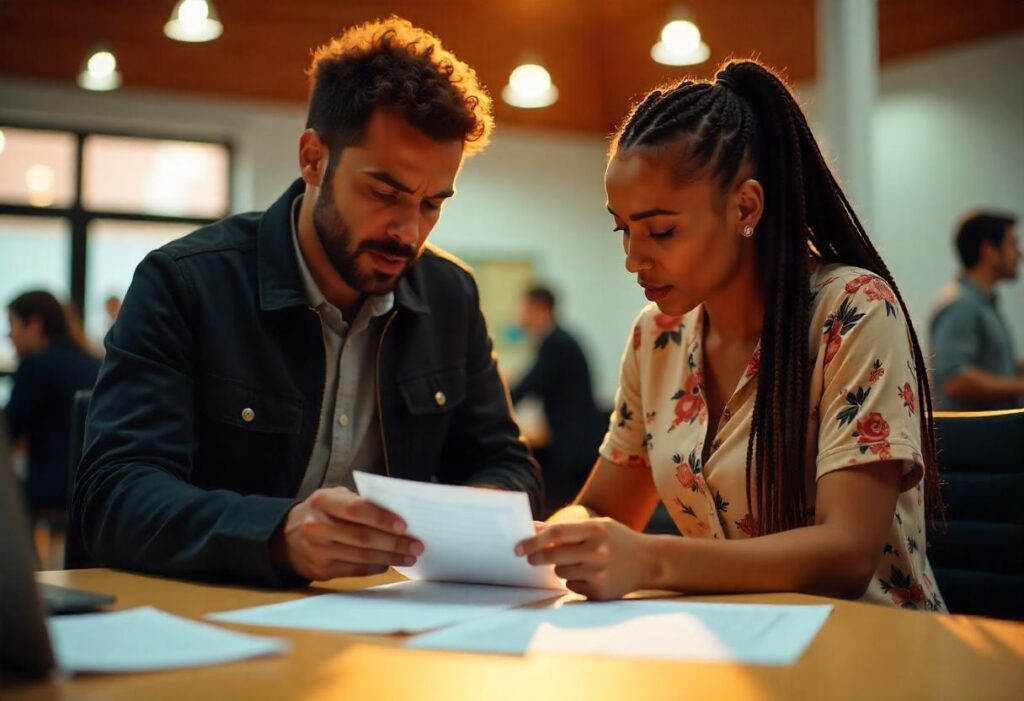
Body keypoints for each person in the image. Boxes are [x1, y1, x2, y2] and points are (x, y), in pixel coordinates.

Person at [72, 17, 541, 587]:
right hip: (216, 611)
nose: (408, 231)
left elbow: (507, 464)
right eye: (384, 192)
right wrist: (275, 534)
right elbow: (114, 494)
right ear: (314, 159)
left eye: (432, 203)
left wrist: (478, 512)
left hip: (388, 624)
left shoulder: (449, 295)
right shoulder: (186, 284)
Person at [516, 59, 946, 612]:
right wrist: (559, 534)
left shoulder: (852, 309)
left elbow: (847, 553)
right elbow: (602, 508)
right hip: (731, 645)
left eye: (661, 230)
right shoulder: (657, 338)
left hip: (870, 650)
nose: (632, 259)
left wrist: (651, 559)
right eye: (623, 230)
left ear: (745, 206)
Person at [511, 285, 605, 516]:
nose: (519, 313)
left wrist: (493, 406)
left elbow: (528, 387)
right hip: (573, 440)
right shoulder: (557, 339)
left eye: (523, 307)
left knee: (557, 507)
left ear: (539, 307)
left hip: (572, 447)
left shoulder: (556, 343)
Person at [6, 291, 100, 517]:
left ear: (35, 324)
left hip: (48, 490)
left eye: (13, 324)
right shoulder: (96, 364)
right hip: (93, 488)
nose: (9, 335)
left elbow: (9, 430)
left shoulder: (35, 366)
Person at [929, 212, 1022, 411]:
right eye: (1013, 244)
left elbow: (991, 363)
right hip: (975, 439)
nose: (1019, 254)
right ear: (989, 250)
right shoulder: (960, 304)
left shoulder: (982, 302)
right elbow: (955, 378)